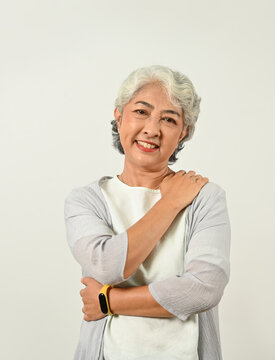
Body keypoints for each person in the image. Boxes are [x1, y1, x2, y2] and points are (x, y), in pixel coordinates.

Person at [64, 65, 231, 359]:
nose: (152, 129)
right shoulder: (86, 200)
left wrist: (107, 301)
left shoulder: (205, 198)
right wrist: (169, 204)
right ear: (119, 116)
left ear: (184, 132)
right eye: (141, 112)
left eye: (168, 119)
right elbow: (107, 267)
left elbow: (204, 289)